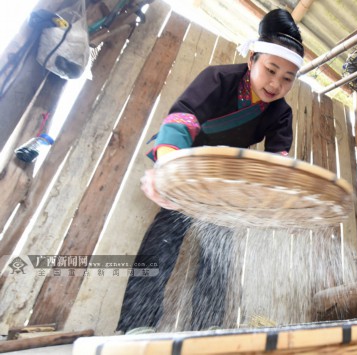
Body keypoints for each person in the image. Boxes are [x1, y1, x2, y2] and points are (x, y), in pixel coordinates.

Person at [116, 8, 304, 333]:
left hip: (225, 182)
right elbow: (182, 119)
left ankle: (208, 330)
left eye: (287, 78)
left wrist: (281, 205)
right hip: (186, 167)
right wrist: (168, 169)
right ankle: (134, 327)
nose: (276, 83)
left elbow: (278, 163)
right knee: (162, 243)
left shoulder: (281, 113)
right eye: (271, 70)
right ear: (252, 60)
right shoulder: (219, 78)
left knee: (219, 258)